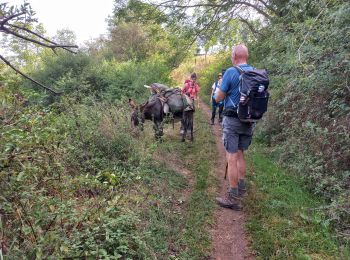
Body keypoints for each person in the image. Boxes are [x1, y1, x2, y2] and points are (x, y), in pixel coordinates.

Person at [214, 44, 254, 210]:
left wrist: (223, 85)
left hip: (233, 119)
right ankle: (242, 186)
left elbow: (218, 98)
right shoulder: (254, 72)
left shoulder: (231, 72)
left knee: (231, 157)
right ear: (246, 56)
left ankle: (232, 196)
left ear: (235, 56)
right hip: (249, 120)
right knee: (240, 153)